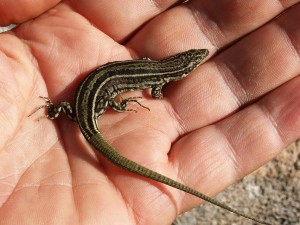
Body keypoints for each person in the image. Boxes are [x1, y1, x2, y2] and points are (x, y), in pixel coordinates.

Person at [0, 1, 299, 224]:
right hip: (87, 108)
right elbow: (155, 92)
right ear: (181, 70)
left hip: (84, 104)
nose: (195, 61)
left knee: (85, 104)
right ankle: (75, 110)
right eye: (192, 62)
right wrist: (121, 103)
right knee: (105, 102)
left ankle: (54, 112)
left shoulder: (153, 66)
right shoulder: (158, 81)